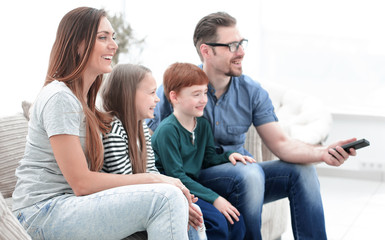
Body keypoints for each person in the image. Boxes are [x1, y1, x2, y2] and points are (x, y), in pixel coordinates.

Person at [147, 12, 357, 240]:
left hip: (245, 176)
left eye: (242, 43)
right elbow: (149, 145)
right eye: (232, 46)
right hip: (197, 178)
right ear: (207, 51)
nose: (241, 52)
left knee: (302, 172)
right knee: (250, 173)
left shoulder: (252, 92)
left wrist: (323, 153)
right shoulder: (176, 90)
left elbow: (282, 144)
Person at [12, 7, 189, 239]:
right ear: (77, 45)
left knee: (186, 211)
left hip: (69, 205)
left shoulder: (85, 103)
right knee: (166, 197)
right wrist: (155, 179)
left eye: (113, 37)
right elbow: (82, 183)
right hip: (41, 212)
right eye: (102, 37)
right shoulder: (59, 97)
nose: (113, 45)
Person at [101, 63, 207, 240]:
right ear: (129, 95)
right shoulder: (113, 130)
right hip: (120, 206)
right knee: (180, 211)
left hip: (142, 199)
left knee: (193, 211)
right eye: (151, 93)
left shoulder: (141, 126)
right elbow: (125, 184)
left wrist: (181, 202)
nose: (157, 99)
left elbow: (151, 171)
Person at [152, 62, 251, 239]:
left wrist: (229, 156)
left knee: (236, 221)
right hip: (173, 190)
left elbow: (209, 158)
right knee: (216, 222)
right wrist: (215, 199)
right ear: (174, 97)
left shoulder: (203, 125)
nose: (203, 100)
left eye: (205, 93)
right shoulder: (168, 130)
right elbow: (177, 176)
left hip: (191, 186)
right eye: (196, 94)